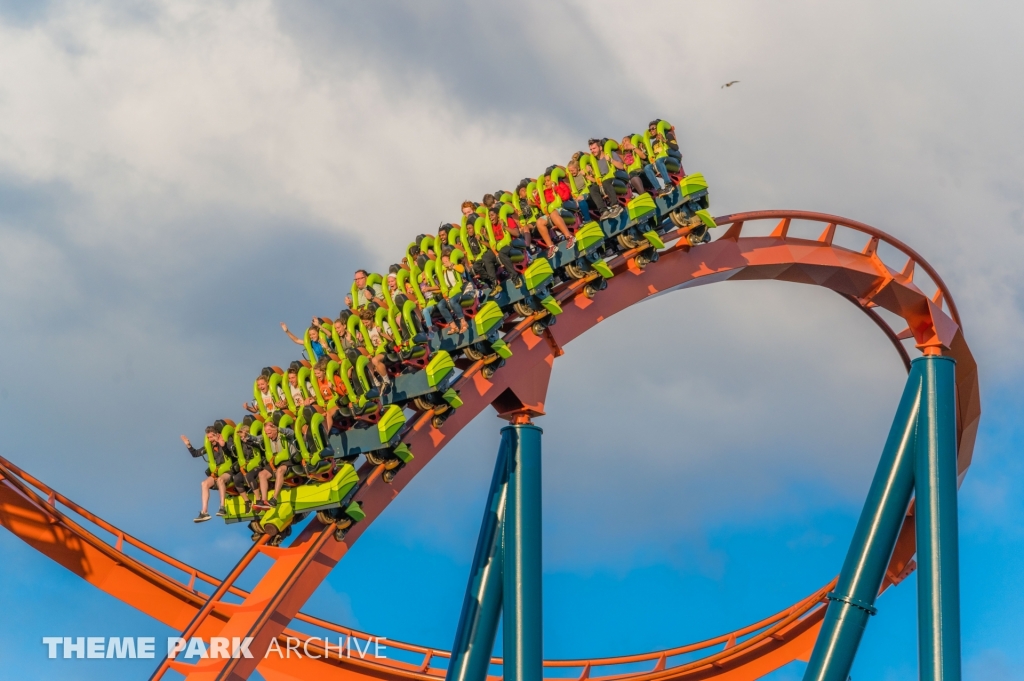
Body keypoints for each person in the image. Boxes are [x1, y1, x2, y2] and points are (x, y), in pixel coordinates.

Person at [181, 426, 233, 522]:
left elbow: (233, 454)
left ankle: (222, 507)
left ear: (217, 435)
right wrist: (188, 445)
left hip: (229, 471)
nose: (210, 440)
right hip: (217, 472)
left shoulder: (226, 441)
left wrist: (223, 445)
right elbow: (196, 454)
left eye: (211, 437)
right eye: (208, 438)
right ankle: (204, 512)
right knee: (204, 483)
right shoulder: (210, 446)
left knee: (220, 480)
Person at [257, 418, 301, 507]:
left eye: (269, 433)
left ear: (275, 429)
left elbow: (291, 433)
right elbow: (256, 439)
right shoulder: (268, 437)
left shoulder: (285, 434)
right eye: (266, 433)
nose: (268, 436)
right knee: (262, 474)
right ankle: (264, 501)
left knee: (280, 470)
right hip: (276, 460)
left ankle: (274, 499)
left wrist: (279, 429)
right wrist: (247, 437)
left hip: (289, 460)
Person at [233, 417, 272, 511]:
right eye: (242, 437)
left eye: (244, 436)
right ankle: (247, 501)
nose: (243, 438)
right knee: (237, 478)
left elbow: (258, 445)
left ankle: (258, 500)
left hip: (258, 464)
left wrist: (248, 441)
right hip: (248, 465)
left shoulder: (255, 439)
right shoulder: (241, 444)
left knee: (249, 476)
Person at [587, 138, 625, 220]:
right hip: (603, 183)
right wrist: (590, 172)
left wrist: (611, 160)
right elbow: (596, 179)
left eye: (594, 148)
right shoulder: (594, 162)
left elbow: (622, 166)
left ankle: (616, 206)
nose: (592, 151)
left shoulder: (611, 154)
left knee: (606, 182)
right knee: (592, 188)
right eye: (591, 149)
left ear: (600, 147)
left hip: (616, 179)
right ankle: (604, 211)